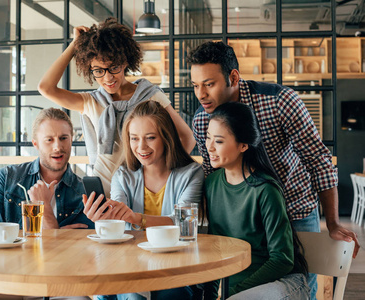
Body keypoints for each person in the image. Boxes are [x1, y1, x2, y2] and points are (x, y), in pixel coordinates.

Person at [187, 41, 359, 299]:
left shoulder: (279, 101)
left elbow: (318, 159)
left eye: (209, 84)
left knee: (298, 286)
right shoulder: (202, 120)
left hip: (295, 209)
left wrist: (333, 223)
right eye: (195, 85)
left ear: (233, 77)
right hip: (246, 221)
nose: (200, 94)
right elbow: (216, 177)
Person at [38, 17, 195, 196]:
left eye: (113, 68)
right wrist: (75, 44)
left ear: (125, 62)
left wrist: (159, 173)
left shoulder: (150, 95)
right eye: (98, 71)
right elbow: (46, 88)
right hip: (101, 193)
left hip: (142, 190)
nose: (108, 78)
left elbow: (187, 138)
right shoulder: (90, 102)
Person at [83, 101, 204, 300]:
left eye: (150, 138)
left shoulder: (191, 173)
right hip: (130, 266)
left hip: (176, 266)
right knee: (133, 295)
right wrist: (103, 219)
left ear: (166, 138)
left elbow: (182, 222)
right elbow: (119, 216)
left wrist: (138, 219)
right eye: (134, 138)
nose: (141, 147)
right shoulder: (122, 175)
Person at [0, 107, 93, 300]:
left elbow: (82, 257)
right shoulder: (6, 179)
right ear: (36, 143)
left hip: (60, 281)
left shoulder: (83, 191)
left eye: (63, 138)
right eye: (49, 140)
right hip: (6, 277)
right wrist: (60, 237)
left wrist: (44, 208)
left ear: (72, 140)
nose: (57, 147)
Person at [204, 101, 310, 299]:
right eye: (208, 137)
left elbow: (282, 259)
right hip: (230, 289)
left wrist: (232, 293)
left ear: (243, 145)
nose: (209, 147)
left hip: (280, 284)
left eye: (218, 141)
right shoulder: (211, 184)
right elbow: (214, 249)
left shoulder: (265, 190)